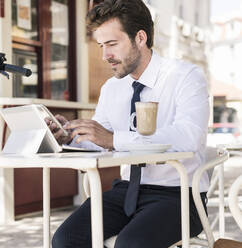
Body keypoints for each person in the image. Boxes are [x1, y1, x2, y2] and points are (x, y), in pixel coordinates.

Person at [49, 0, 210, 247]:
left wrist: (114, 139)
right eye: (101, 46)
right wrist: (71, 137)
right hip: (126, 192)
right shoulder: (112, 88)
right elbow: (100, 143)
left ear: (140, 38)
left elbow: (188, 136)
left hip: (178, 196)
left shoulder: (185, 76)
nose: (105, 56)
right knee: (65, 239)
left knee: (130, 245)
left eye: (112, 44)